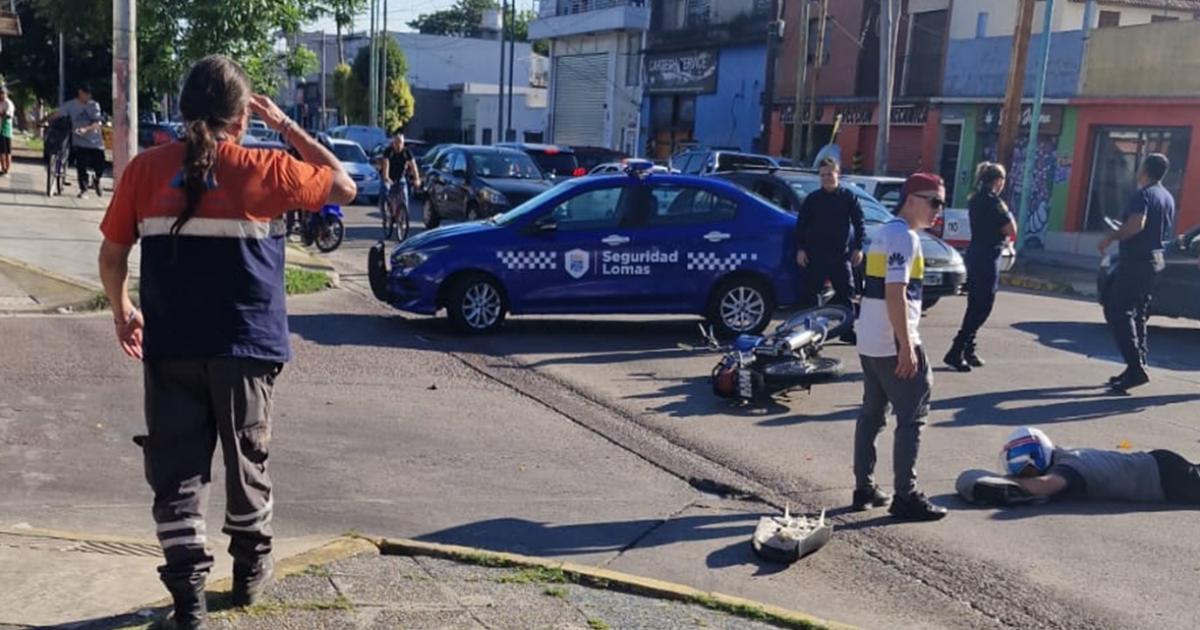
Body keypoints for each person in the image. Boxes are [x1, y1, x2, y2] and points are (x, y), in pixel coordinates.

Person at [97, 55, 355, 629]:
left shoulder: (144, 171)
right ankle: (247, 575)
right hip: (247, 348)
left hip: (171, 346)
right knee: (247, 462)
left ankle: (188, 600)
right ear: (242, 118)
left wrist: (122, 311)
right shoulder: (267, 167)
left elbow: (113, 255)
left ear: (185, 109)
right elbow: (344, 183)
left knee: (178, 470)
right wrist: (285, 125)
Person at [852, 173, 948, 521]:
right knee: (912, 418)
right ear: (910, 199)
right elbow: (896, 292)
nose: (939, 210)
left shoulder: (884, 233)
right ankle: (905, 496)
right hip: (893, 342)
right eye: (934, 201)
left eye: (942, 203)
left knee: (872, 415)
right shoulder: (905, 238)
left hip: (871, 340)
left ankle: (863, 487)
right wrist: (907, 345)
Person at [957, 426, 1200, 507]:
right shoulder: (1065, 459)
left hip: (1164, 476)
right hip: (1159, 468)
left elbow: (1045, 486)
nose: (1021, 471)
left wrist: (1003, 481)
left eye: (1026, 464)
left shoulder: (1069, 466)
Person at [1097, 153, 1175, 393]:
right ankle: (1137, 364)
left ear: (1145, 169)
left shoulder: (1143, 195)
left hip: (1136, 260)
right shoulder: (1166, 197)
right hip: (1154, 260)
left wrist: (1111, 236)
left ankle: (1135, 366)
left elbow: (1136, 224)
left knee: (1119, 311)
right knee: (1138, 312)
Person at [944, 162, 1017, 372]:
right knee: (982, 306)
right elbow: (1011, 229)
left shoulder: (975, 198)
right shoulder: (995, 202)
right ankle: (956, 350)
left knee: (975, 304)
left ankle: (968, 348)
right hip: (987, 256)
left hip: (976, 253)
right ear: (998, 181)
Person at [795, 157, 865, 343]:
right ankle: (811, 334)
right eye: (823, 175)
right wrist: (800, 249)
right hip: (816, 255)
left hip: (841, 256)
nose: (826, 178)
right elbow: (801, 225)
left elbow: (859, 223)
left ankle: (847, 330)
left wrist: (858, 247)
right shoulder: (813, 199)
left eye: (830, 174)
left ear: (838, 174)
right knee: (812, 295)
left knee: (847, 294)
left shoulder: (848, 197)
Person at [50, 85, 106, 198]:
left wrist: (86, 129)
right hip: (79, 141)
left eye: (90, 95)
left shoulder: (94, 105)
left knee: (100, 165)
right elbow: (57, 113)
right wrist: (45, 121)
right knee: (81, 166)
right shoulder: (71, 105)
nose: (89, 97)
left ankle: (97, 179)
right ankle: (83, 189)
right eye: (87, 94)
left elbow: (97, 123)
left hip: (95, 142)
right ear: (80, 93)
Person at [377, 129, 421, 228]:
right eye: (396, 142)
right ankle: (386, 217)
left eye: (400, 142)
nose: (398, 145)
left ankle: (402, 217)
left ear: (403, 143)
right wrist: (386, 178)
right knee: (385, 192)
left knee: (404, 196)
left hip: (400, 177)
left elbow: (413, 166)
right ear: (393, 142)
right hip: (388, 177)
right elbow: (386, 165)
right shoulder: (389, 151)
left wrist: (417, 179)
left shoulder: (407, 152)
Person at [0, 85, 13, 175]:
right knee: (1, 151)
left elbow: (7, 115)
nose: (1, 95)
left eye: (3, 93)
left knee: (7, 151)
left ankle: (7, 168)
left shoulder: (9, 103)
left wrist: (2, 114)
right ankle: (3, 167)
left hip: (6, 129)